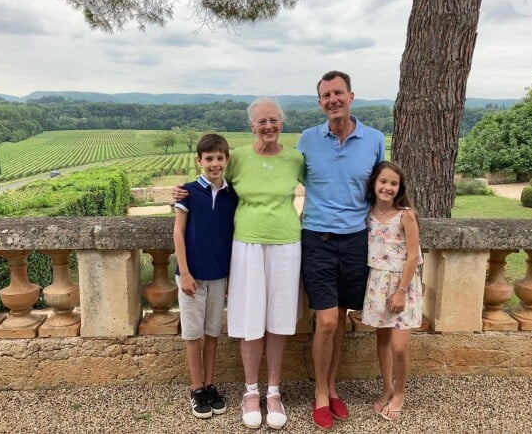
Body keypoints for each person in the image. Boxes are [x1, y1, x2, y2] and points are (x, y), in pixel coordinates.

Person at [173, 97, 305, 430]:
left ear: (282, 123)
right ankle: (250, 391)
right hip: (245, 246)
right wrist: (177, 194)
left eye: (274, 120)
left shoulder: (296, 159)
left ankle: (273, 391)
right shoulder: (239, 158)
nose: (269, 126)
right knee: (248, 319)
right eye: (261, 121)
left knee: (278, 319)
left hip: (287, 244)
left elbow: (322, 190)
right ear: (251, 126)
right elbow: (210, 184)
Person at [297, 70, 385, 430]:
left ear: (351, 96)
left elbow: (383, 186)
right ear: (320, 103)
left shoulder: (374, 139)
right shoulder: (306, 140)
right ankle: (320, 392)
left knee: (344, 317)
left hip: (357, 240)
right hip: (317, 238)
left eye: (338, 93)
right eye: (325, 95)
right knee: (327, 320)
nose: (332, 100)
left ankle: (333, 387)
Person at [172, 133, 238, 420]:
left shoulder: (232, 195)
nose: (214, 163)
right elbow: (178, 232)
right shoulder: (188, 192)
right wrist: (185, 273)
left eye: (219, 158)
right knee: (192, 334)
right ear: (199, 160)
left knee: (212, 332)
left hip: (218, 275)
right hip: (192, 277)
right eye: (208, 158)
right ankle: (196, 387)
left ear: (226, 160)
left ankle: (210, 384)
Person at [361, 161, 423, 422]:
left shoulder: (405, 215)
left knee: (399, 346)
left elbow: (412, 256)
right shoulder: (368, 213)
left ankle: (400, 392)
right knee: (383, 340)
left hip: (402, 285)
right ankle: (386, 387)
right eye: (383, 181)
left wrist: (400, 291)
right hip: (377, 283)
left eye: (393, 183)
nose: (387, 187)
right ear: (375, 183)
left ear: (400, 188)